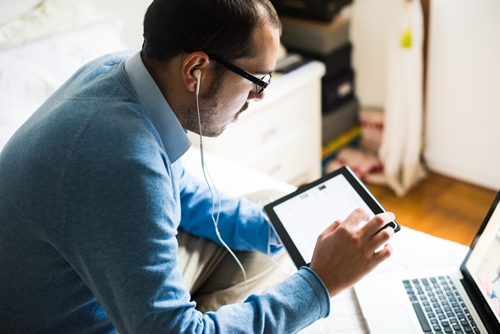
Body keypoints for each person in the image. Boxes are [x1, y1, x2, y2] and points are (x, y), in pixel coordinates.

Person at [0, 0, 395, 333]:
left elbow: (179, 190)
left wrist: (280, 228)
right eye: (256, 79)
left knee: (272, 210)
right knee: (280, 272)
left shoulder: (118, 71)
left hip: (91, 272)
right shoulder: (121, 158)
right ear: (195, 70)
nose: (258, 96)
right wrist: (319, 285)